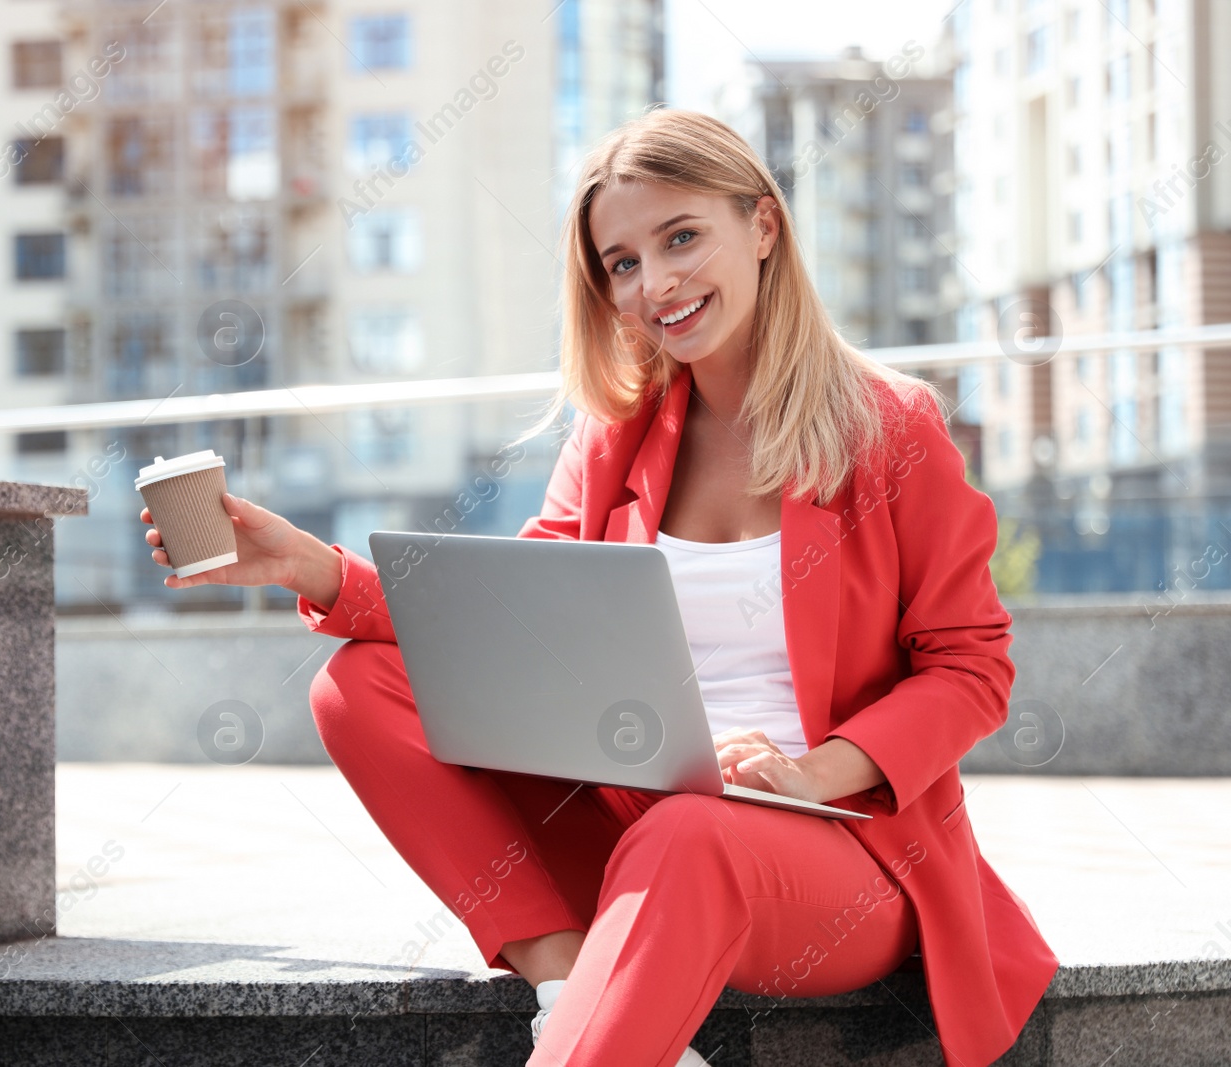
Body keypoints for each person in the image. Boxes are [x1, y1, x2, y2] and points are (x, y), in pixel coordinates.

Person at [140, 109, 1058, 1067]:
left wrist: (811, 771)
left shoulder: (890, 426)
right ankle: (571, 979)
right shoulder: (615, 435)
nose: (655, 284)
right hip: (642, 815)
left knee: (695, 833)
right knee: (357, 684)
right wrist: (310, 567)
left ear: (764, 227)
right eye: (622, 263)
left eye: (681, 237)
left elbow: (972, 669)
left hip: (841, 858)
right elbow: (508, 619)